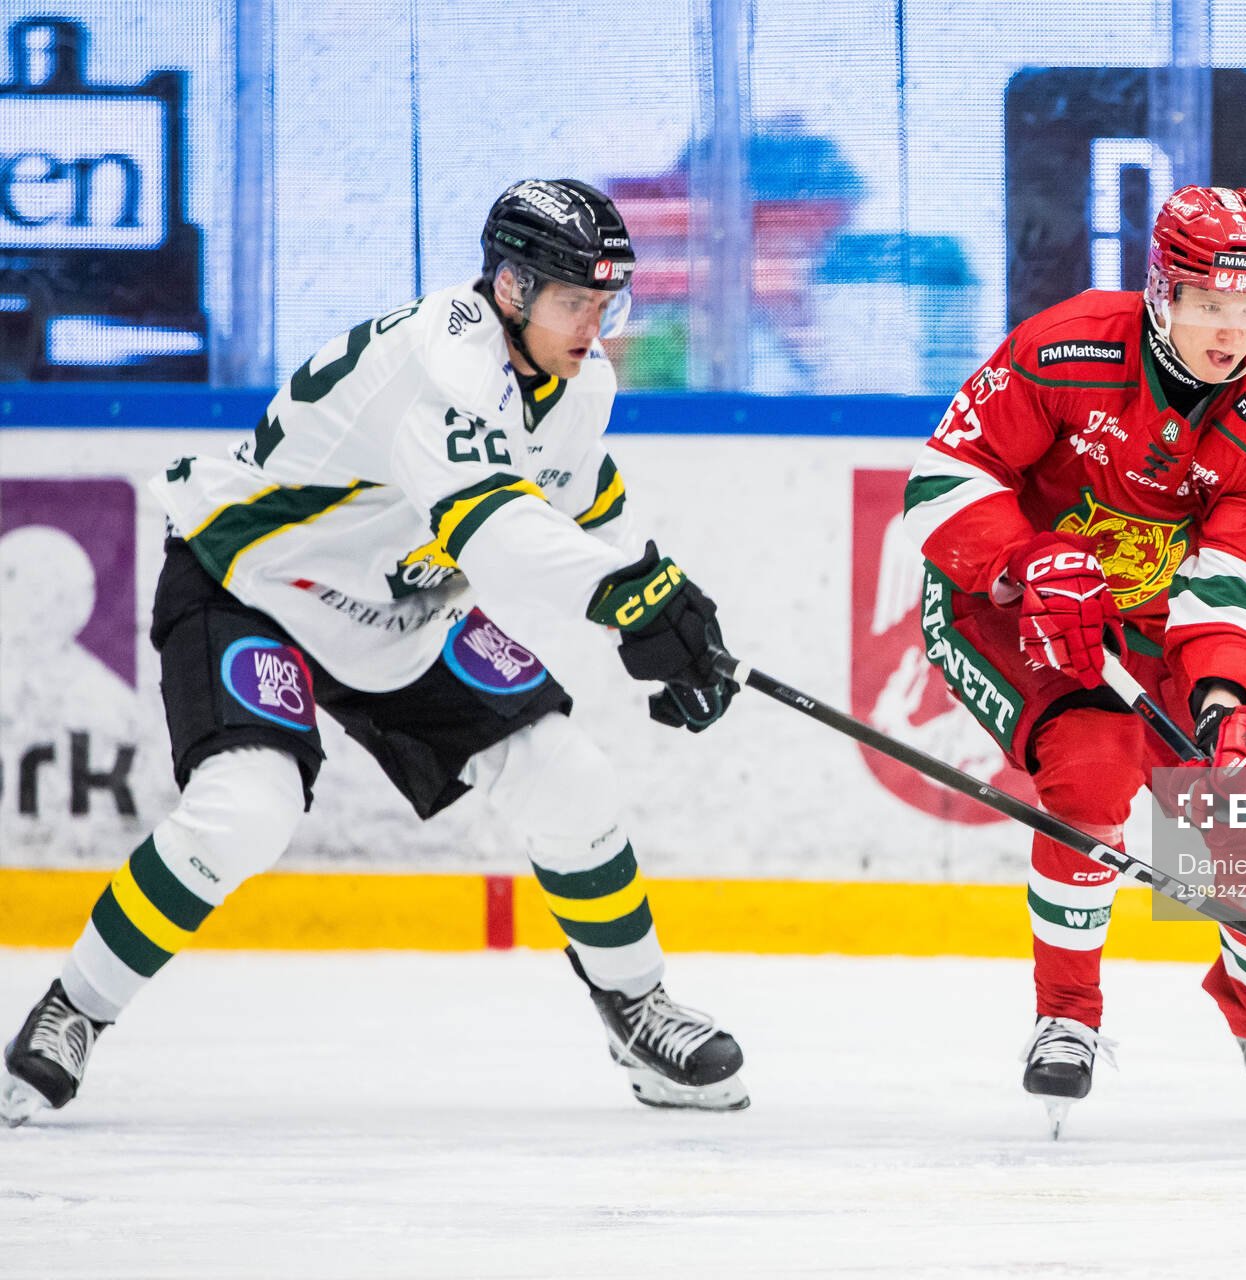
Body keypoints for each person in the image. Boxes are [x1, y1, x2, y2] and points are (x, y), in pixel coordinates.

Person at [2, 179, 750, 1125]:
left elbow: (585, 508)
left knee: (567, 775)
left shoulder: (575, 379)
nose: (594, 327)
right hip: (253, 585)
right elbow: (498, 537)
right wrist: (627, 601)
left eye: (608, 305)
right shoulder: (441, 366)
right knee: (244, 808)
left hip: (400, 610)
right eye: (574, 302)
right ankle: (74, 1007)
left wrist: (674, 615)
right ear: (511, 289)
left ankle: (636, 1008)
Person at [903, 185, 1246, 1127]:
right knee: (1093, 762)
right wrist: (1028, 557)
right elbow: (941, 478)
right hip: (1002, 604)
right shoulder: (1067, 347)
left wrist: (1226, 706)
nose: (1229, 330)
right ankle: (1066, 1019)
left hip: (1140, 625)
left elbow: (1228, 592)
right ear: (1162, 291)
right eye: (1209, 302)